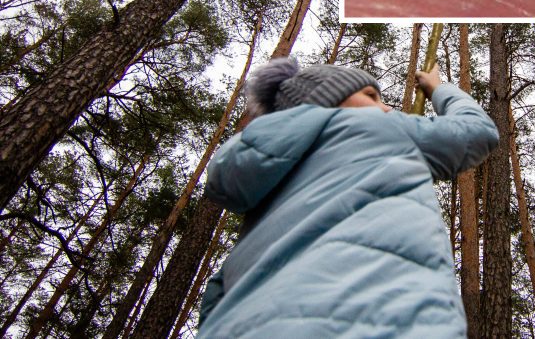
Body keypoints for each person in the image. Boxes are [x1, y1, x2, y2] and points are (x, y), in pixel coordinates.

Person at [197, 57, 499, 338]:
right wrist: (438, 88)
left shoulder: (262, 196)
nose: (387, 109)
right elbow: (477, 132)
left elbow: (216, 298)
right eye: (371, 96)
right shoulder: (371, 126)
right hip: (384, 318)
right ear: (328, 100)